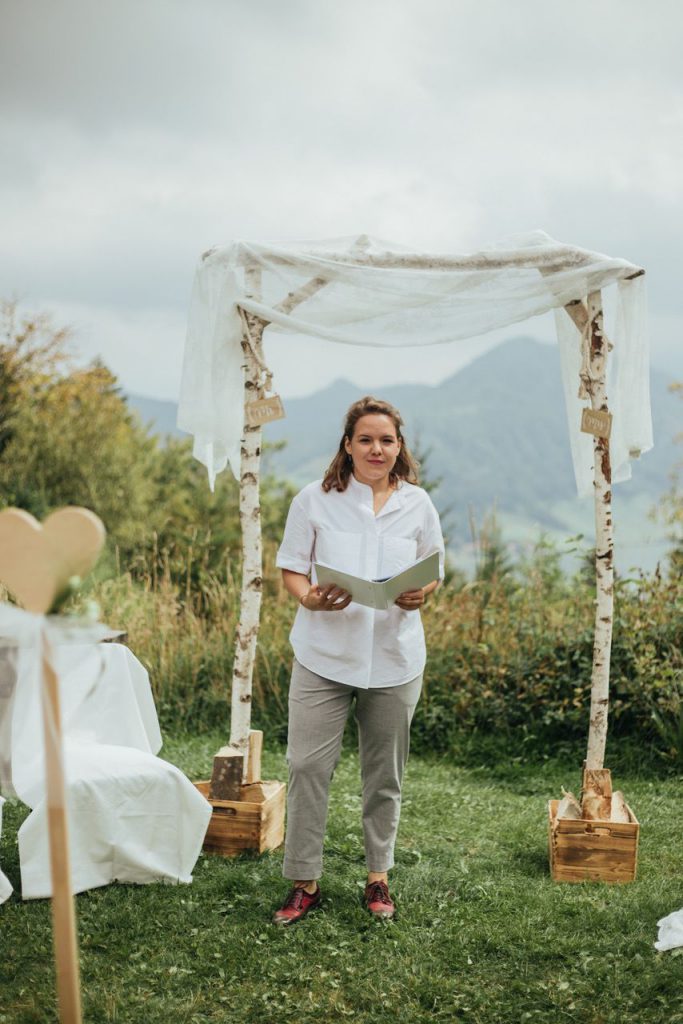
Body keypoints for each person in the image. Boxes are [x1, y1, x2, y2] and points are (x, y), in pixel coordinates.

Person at [272, 396, 445, 925]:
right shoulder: (313, 500)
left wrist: (422, 593)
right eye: (366, 439)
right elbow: (292, 569)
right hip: (324, 655)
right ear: (347, 445)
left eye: (386, 440)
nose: (376, 448)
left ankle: (378, 879)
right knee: (307, 766)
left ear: (399, 448)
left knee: (384, 775)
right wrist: (309, 598)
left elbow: (432, 571)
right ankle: (304, 882)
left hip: (394, 659)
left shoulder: (418, 504)